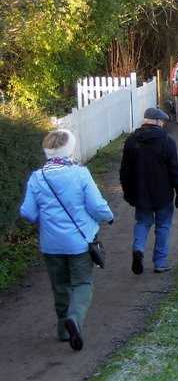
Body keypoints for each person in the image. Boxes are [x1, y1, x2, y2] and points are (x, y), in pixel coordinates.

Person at [19, 129, 114, 351]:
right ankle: (74, 318)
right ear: (70, 149)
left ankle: (63, 330)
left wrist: (44, 219)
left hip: (51, 244)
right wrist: (108, 217)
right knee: (82, 283)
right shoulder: (80, 174)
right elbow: (96, 206)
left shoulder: (37, 177)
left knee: (60, 286)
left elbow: (28, 212)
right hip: (80, 242)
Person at [120, 107, 178, 275]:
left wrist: (127, 192)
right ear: (156, 121)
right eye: (162, 121)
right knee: (163, 226)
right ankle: (160, 263)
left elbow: (124, 171)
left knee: (142, 223)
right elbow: (174, 170)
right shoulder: (167, 141)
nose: (163, 124)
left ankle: (138, 249)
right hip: (163, 193)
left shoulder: (132, 141)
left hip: (140, 193)